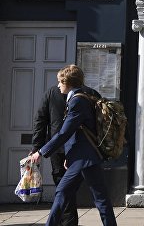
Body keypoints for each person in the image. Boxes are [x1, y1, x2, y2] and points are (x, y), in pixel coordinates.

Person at [29, 65, 117, 226]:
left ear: (68, 83)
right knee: (66, 192)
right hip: (82, 156)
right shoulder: (83, 96)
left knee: (97, 198)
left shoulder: (77, 101)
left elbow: (65, 132)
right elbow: (79, 132)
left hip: (85, 157)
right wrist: (70, 156)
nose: (58, 86)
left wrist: (40, 152)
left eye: (60, 82)